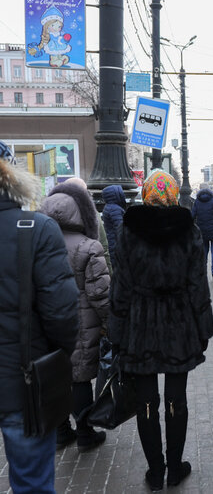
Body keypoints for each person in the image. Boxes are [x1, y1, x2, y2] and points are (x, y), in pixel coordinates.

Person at [109, 171, 213, 491]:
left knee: (146, 402)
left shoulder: (128, 232)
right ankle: (174, 467)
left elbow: (120, 288)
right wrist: (203, 329)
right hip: (178, 327)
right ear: (171, 195)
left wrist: (116, 332)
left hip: (139, 328)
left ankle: (155, 472)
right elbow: (198, 285)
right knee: (175, 399)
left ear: (146, 193)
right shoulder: (189, 231)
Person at [0, 140, 79, 492]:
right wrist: (58, 356)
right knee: (32, 484)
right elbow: (62, 316)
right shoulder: (36, 230)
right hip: (24, 382)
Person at [39, 179, 111, 452]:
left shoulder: (38, 244)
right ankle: (85, 434)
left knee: (57, 378)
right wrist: (109, 324)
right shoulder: (88, 246)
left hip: (48, 325)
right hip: (81, 325)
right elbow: (100, 295)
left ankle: (60, 432)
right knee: (80, 379)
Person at [66, 177, 112, 274]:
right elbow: (103, 247)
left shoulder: (52, 211)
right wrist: (109, 274)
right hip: (87, 270)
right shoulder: (92, 214)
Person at [101, 184, 127, 258]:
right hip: (116, 244)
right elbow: (120, 228)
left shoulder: (108, 207)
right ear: (116, 195)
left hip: (111, 241)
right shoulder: (115, 209)